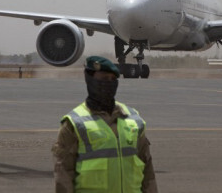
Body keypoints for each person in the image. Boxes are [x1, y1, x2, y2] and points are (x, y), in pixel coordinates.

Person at [52, 56, 158, 192]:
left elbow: (147, 171)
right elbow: (63, 176)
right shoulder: (75, 124)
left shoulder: (133, 120)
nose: (108, 84)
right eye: (102, 79)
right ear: (89, 80)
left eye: (112, 80)